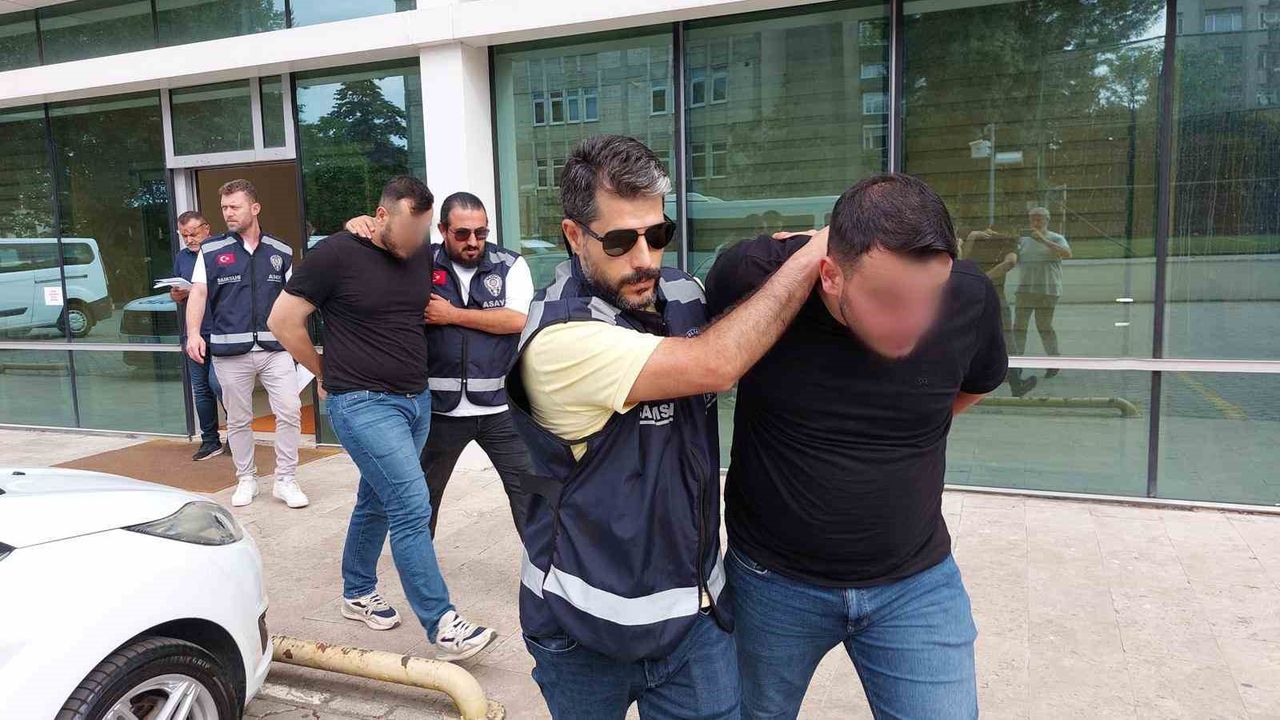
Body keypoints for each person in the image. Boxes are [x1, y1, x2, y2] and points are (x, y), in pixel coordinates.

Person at [506, 134, 828, 720]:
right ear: (575, 235)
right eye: (621, 241)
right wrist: (815, 254)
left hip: (692, 618)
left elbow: (747, 313)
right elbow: (718, 362)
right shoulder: (560, 339)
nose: (645, 259)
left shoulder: (680, 290)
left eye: (658, 234)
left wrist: (782, 251)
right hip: (582, 624)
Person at [704, 173, 1008, 720]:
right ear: (830, 275)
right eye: (889, 300)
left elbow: (971, 387)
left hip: (916, 584)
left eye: (929, 298)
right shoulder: (749, 276)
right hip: (772, 584)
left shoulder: (970, 297)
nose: (913, 323)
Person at [268, 176, 496, 661]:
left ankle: (356, 591)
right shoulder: (334, 254)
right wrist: (322, 370)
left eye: (423, 231)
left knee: (376, 498)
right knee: (412, 506)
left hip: (416, 402)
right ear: (381, 215)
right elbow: (282, 321)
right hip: (362, 403)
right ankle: (443, 624)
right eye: (409, 229)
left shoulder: (420, 254)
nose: (416, 240)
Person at [345, 192, 535, 538]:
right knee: (421, 503)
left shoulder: (509, 264)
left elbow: (517, 320)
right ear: (443, 229)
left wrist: (452, 315)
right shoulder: (420, 260)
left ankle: (544, 567)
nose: (473, 241)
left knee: (531, 500)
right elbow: (375, 251)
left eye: (481, 232)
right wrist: (360, 224)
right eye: (462, 233)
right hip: (437, 413)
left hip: (501, 411)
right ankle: (419, 566)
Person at [185, 179, 308, 509]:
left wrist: (298, 342)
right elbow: (198, 293)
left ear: (255, 208)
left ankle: (286, 479)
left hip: (275, 349)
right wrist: (194, 333)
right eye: (224, 207)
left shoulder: (280, 251)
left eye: (234, 207)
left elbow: (293, 300)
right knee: (238, 420)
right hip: (230, 351)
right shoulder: (211, 250)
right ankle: (246, 478)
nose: (228, 213)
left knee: (290, 411)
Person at [172, 210, 225, 460]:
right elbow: (176, 293)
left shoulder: (221, 251)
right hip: (195, 334)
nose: (189, 240)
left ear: (206, 228)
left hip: (222, 331)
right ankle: (210, 441)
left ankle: (238, 437)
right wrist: (177, 294)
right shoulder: (181, 257)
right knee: (201, 389)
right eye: (184, 235)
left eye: (193, 234)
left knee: (221, 385)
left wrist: (199, 289)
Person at [964, 226, 1035, 396]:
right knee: (1006, 338)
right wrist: (985, 278)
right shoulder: (1007, 244)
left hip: (972, 294)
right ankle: (1016, 382)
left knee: (971, 338)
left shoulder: (978, 242)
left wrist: (972, 237)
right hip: (994, 295)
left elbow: (963, 260)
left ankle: (969, 384)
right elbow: (1010, 262)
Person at [1012, 206, 1071, 380]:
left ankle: (1054, 362)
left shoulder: (1056, 238)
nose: (1036, 222)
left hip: (1048, 290)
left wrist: (1044, 240)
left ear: (1047, 220)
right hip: (1025, 290)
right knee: (1019, 327)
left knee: (1044, 326)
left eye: (1039, 219)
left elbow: (1067, 253)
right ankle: (1016, 365)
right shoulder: (1023, 240)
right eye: (1033, 219)